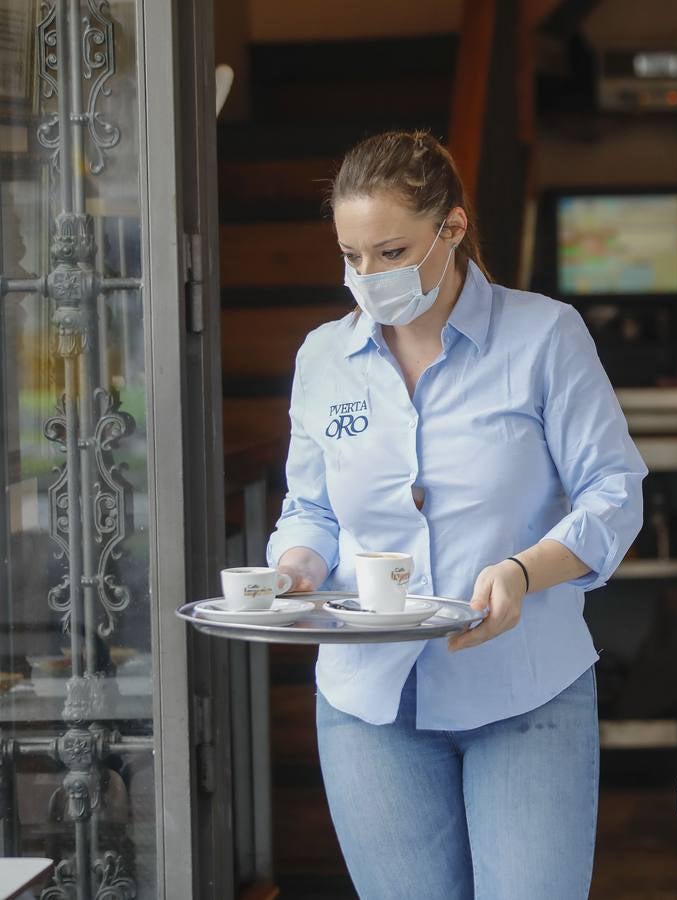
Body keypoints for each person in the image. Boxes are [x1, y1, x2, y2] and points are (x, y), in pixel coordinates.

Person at [266, 130, 647, 900]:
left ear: (453, 228)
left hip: (523, 690)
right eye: (352, 256)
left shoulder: (544, 336)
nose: (368, 275)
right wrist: (296, 566)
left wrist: (521, 571)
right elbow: (309, 508)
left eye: (392, 251)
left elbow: (614, 492)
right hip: (368, 702)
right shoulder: (322, 359)